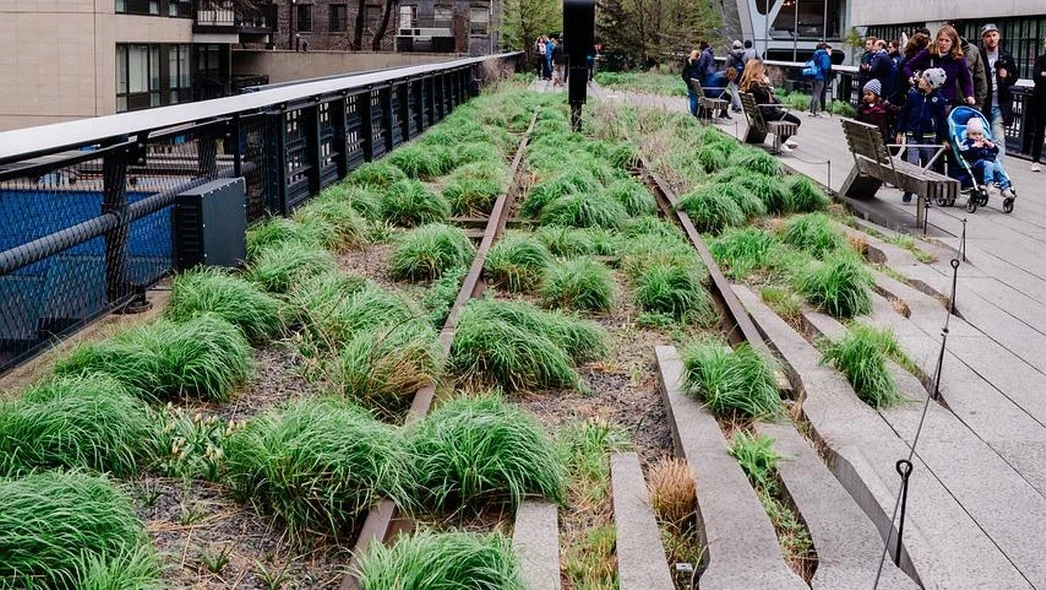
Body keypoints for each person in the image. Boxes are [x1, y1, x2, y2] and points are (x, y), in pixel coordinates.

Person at [895, 68, 949, 203]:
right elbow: (904, 114)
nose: (920, 80)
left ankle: (925, 195)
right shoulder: (913, 95)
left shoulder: (938, 100)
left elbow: (942, 121)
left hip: (928, 137)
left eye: (924, 79)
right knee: (912, 164)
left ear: (931, 84)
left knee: (927, 166)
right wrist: (900, 131)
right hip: (913, 135)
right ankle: (909, 190)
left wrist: (944, 139)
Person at [904, 25, 975, 109]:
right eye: (941, 40)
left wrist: (969, 95)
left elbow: (966, 80)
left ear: (953, 43)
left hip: (947, 102)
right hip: (927, 101)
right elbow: (908, 66)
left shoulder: (958, 59)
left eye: (947, 41)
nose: (943, 43)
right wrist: (910, 76)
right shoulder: (928, 52)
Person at [740, 59, 802, 151]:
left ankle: (782, 138)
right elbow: (771, 101)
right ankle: (781, 142)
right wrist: (767, 84)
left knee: (784, 113)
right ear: (756, 71)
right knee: (797, 121)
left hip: (758, 114)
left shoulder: (749, 84)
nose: (763, 73)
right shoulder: (756, 86)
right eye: (762, 71)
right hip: (765, 115)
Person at [978, 24, 1020, 162]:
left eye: (994, 35)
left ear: (999, 36)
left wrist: (1006, 76)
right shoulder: (979, 56)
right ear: (983, 39)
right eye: (988, 36)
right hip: (983, 104)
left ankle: (998, 171)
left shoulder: (1006, 57)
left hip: (1000, 104)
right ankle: (985, 170)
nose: (992, 39)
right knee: (982, 138)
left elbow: (1014, 78)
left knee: (998, 138)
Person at [959, 117, 1015, 199]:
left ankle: (1005, 188)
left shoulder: (985, 141)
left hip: (989, 161)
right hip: (976, 162)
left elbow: (995, 151)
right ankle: (989, 184)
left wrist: (990, 145)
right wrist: (974, 146)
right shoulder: (967, 142)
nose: (977, 136)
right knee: (989, 164)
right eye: (974, 134)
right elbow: (963, 151)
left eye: (979, 134)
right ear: (968, 134)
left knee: (999, 168)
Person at [857, 79, 892, 145]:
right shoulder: (862, 107)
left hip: (877, 141)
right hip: (870, 141)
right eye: (865, 94)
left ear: (876, 95)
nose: (866, 96)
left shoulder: (884, 106)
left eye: (869, 94)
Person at [1030, 41, 1046, 172]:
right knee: (1039, 130)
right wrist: (1041, 74)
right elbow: (1036, 76)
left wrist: (1044, 74)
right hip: (1040, 100)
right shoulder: (1040, 59)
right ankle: (1035, 160)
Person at [807, 42, 832, 117]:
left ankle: (812, 110)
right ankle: (813, 111)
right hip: (820, 77)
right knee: (817, 94)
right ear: (826, 49)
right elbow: (825, 67)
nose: (831, 52)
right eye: (830, 50)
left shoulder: (816, 54)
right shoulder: (825, 56)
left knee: (815, 93)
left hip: (814, 76)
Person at [725, 40, 746, 113]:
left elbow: (726, 66)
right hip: (741, 75)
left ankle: (738, 106)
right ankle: (734, 106)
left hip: (733, 75)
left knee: (734, 91)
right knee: (736, 90)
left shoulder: (730, 56)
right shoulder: (744, 55)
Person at [682, 49, 702, 117]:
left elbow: (683, 74)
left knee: (692, 98)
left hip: (690, 82)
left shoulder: (688, 62)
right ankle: (694, 114)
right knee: (694, 98)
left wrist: (687, 81)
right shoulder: (698, 64)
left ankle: (693, 113)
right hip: (696, 83)